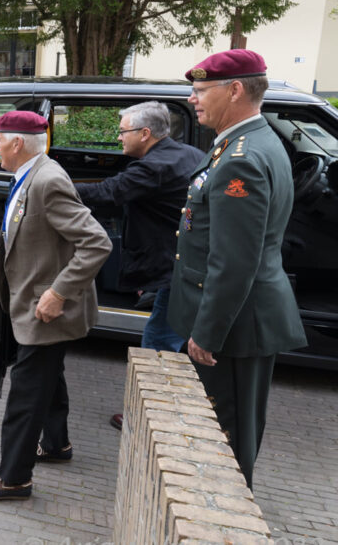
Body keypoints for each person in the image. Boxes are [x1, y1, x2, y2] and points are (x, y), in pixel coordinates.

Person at [168, 49, 306, 489]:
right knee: (228, 429)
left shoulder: (241, 158)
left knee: (226, 437)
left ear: (235, 90)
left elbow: (233, 261)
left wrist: (207, 332)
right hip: (239, 319)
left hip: (233, 327)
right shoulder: (249, 143)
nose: (192, 99)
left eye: (200, 89)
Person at [0, 110, 111, 501]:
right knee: (50, 377)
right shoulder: (31, 175)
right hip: (31, 305)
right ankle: (56, 444)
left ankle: (13, 479)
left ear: (17, 143)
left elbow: (97, 242)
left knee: (26, 397)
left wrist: (59, 292)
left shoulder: (46, 180)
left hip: (44, 310)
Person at [73, 101, 204, 431]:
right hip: (183, 265)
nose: (119, 138)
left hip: (173, 270)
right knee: (167, 340)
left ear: (145, 134)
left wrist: (50, 186)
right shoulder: (188, 153)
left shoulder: (152, 168)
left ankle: (149, 417)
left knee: (158, 344)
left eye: (123, 131)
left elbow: (107, 192)